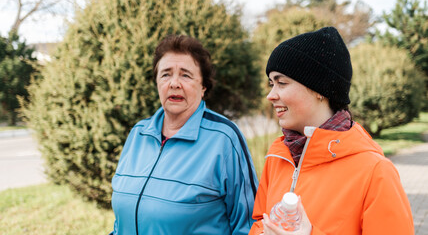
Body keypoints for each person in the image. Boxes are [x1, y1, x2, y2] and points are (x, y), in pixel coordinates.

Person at [249, 27, 414, 235]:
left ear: (320, 90)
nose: (271, 95)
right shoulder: (278, 156)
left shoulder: (375, 171)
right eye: (271, 83)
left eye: (282, 83)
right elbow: (259, 221)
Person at [109, 34, 258, 235]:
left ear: (203, 86)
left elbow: (250, 225)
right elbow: (121, 222)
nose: (174, 83)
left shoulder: (224, 139)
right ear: (157, 83)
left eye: (185, 75)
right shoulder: (138, 134)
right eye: (166, 74)